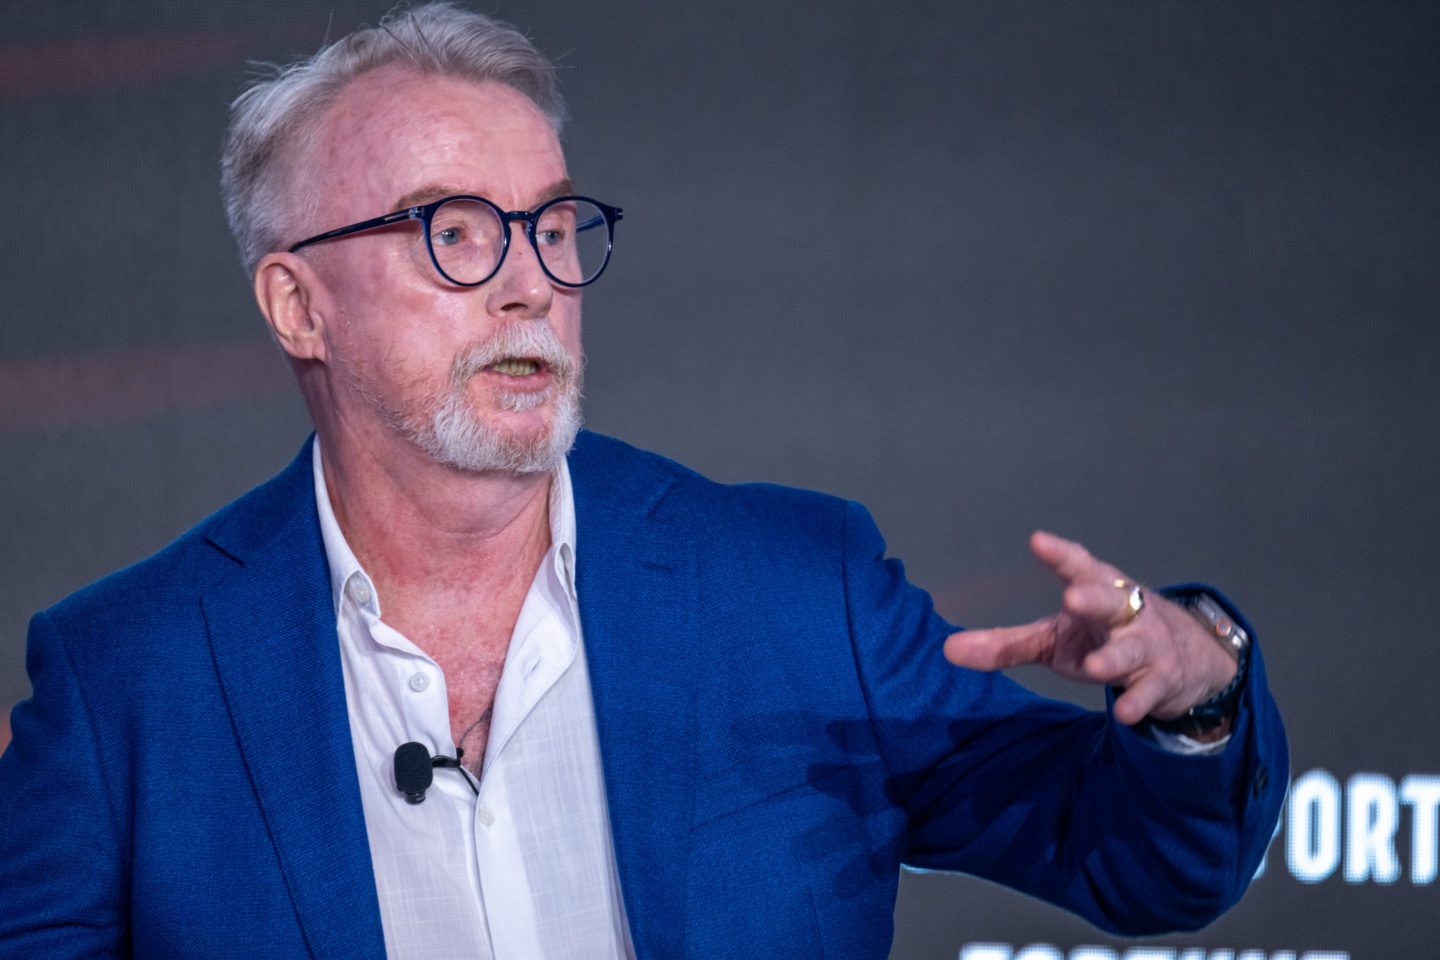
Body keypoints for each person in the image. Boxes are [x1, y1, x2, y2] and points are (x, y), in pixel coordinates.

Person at [0, 4, 1286, 958]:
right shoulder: (126, 680)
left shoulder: (798, 597)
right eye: (454, 232)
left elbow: (1147, 862)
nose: (529, 283)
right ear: (298, 305)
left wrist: (1198, 694)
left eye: (553, 226)